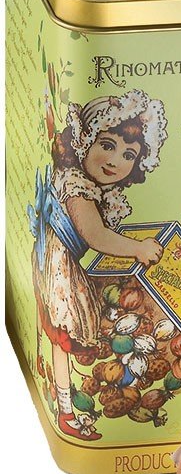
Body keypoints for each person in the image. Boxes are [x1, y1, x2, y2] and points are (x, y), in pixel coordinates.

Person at [28, 89, 168, 439]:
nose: (115, 160)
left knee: (60, 336)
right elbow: (95, 235)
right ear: (85, 141)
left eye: (128, 154)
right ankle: (65, 411)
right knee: (63, 336)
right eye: (107, 145)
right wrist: (137, 249)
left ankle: (64, 404)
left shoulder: (94, 187)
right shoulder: (76, 185)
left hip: (61, 261)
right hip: (58, 265)